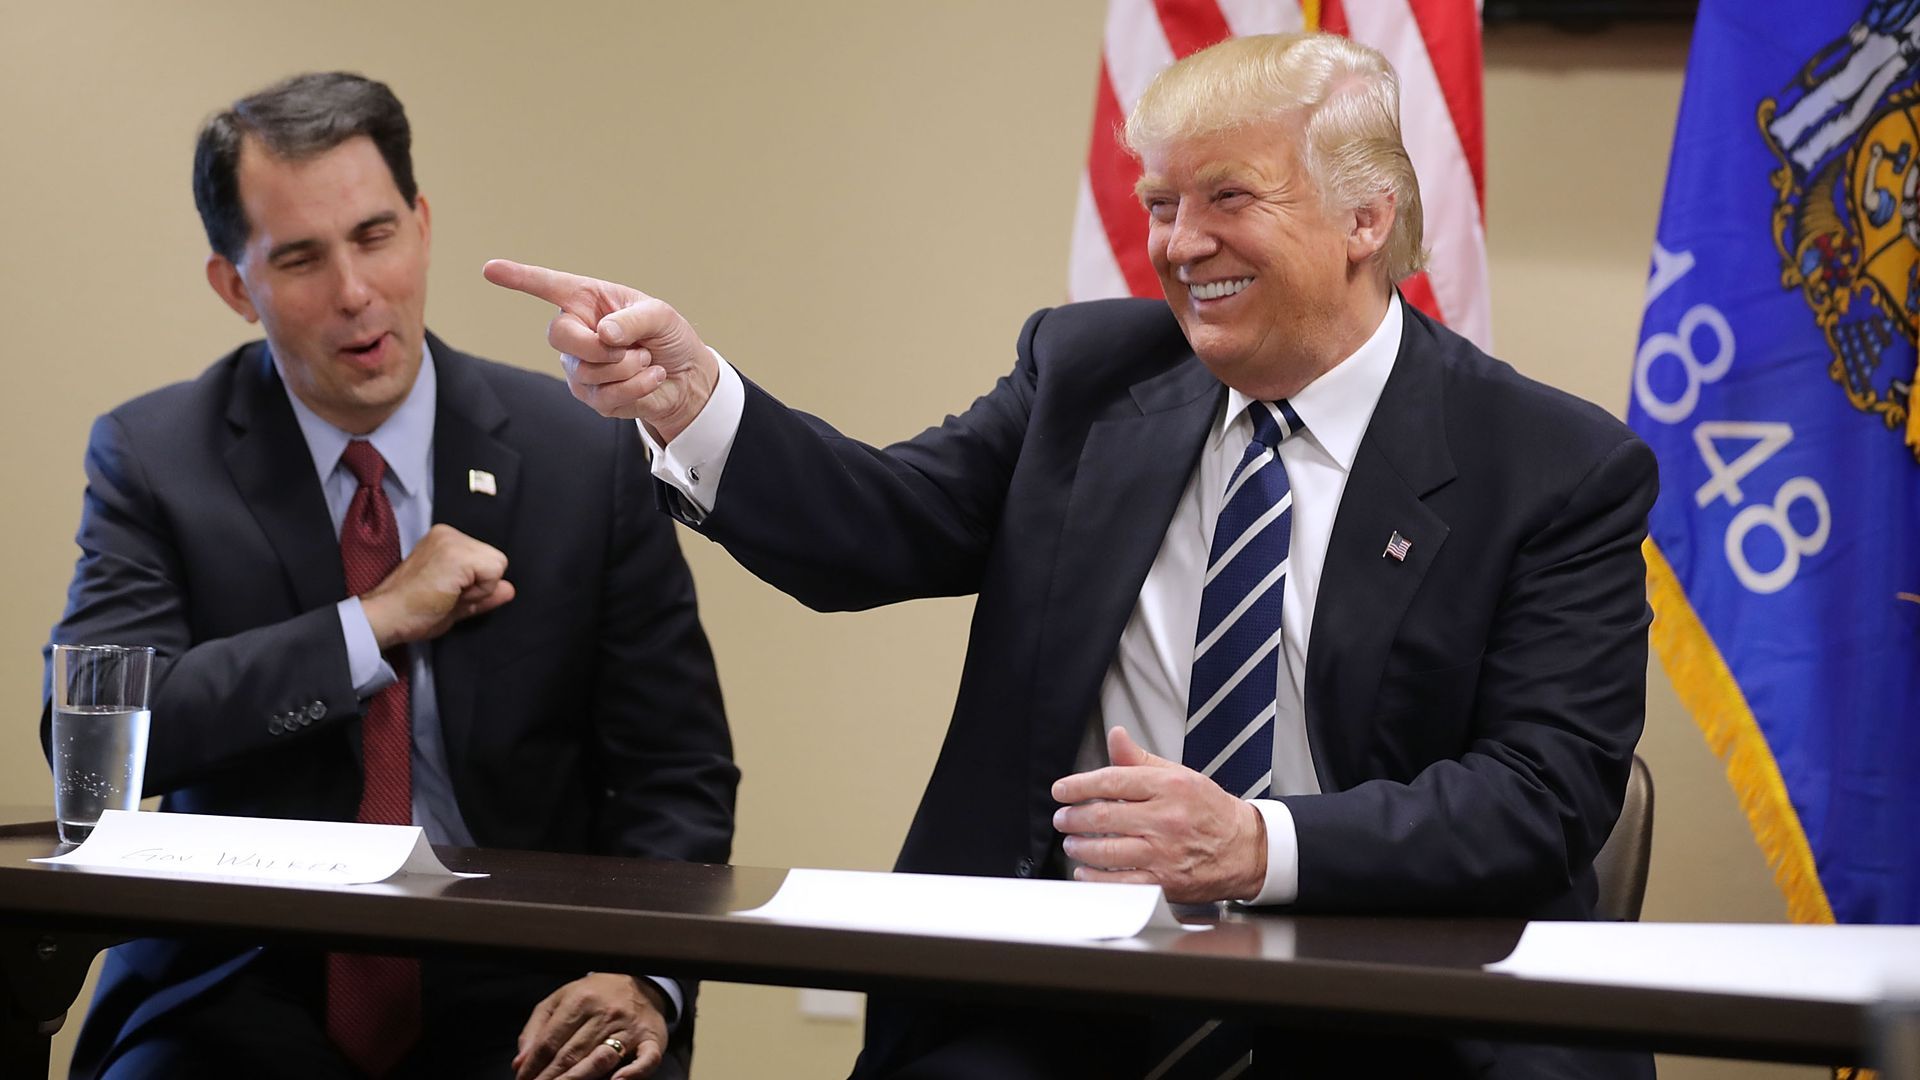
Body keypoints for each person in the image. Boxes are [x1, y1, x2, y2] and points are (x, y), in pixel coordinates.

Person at [487, 31, 1655, 1080]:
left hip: (1395, 991)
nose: (1182, 245)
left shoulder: (1552, 465)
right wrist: (698, 402)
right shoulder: (1092, 375)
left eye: (1227, 198)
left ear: (1365, 218)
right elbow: (879, 528)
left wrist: (1257, 842)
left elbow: (1543, 796)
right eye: (1159, 205)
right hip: (1080, 984)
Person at [42, 72, 737, 1080]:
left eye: (374, 236)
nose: (356, 292)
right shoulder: (156, 456)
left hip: (523, 977)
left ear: (420, 225)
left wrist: (638, 972)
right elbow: (95, 737)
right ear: (236, 286)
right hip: (242, 978)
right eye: (300, 258)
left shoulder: (576, 458)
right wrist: (371, 623)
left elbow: (678, 773)